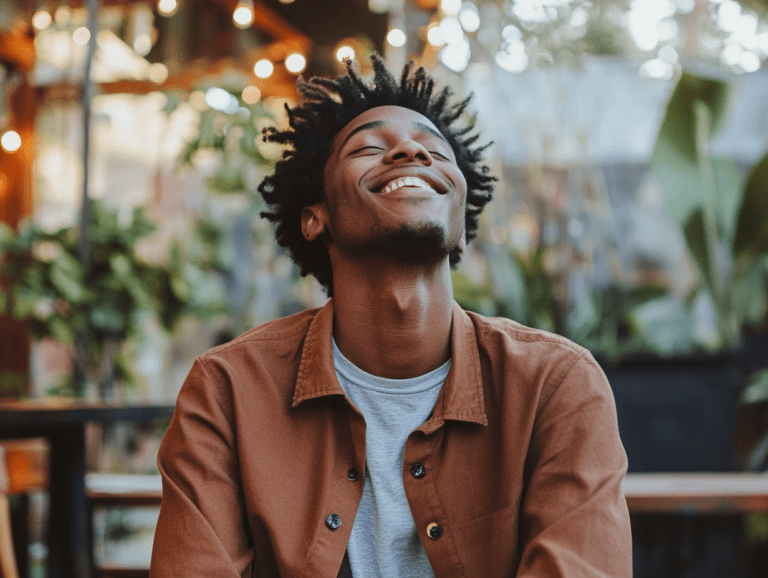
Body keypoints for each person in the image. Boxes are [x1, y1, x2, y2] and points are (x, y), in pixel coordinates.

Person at [149, 56, 631, 578]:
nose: (411, 151)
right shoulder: (228, 392)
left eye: (434, 150)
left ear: (461, 218)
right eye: (370, 147)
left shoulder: (555, 386)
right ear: (315, 217)